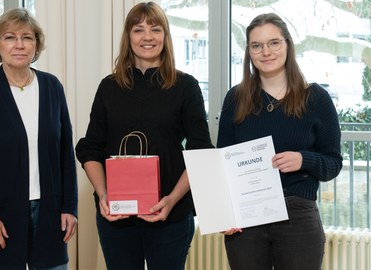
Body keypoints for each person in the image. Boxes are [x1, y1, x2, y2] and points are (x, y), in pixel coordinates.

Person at [75, 2, 213, 270]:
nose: (147, 37)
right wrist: (104, 195)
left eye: (155, 29)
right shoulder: (109, 87)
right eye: (138, 29)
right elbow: (90, 149)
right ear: (128, 37)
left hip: (170, 215)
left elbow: (200, 151)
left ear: (166, 36)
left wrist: (171, 200)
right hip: (117, 219)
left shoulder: (186, 87)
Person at [0, 8, 77, 270]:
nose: (19, 45)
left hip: (49, 213)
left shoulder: (52, 87)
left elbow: (65, 152)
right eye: (10, 37)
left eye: (27, 37)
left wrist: (69, 207)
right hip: (0, 215)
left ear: (36, 44)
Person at [217, 13, 343, 270]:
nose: (266, 51)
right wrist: (223, 213)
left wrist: (303, 159)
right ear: (249, 52)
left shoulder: (316, 99)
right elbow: (222, 164)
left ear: (287, 45)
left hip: (297, 215)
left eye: (274, 43)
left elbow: (334, 163)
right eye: (257, 45)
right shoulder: (235, 99)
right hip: (246, 219)